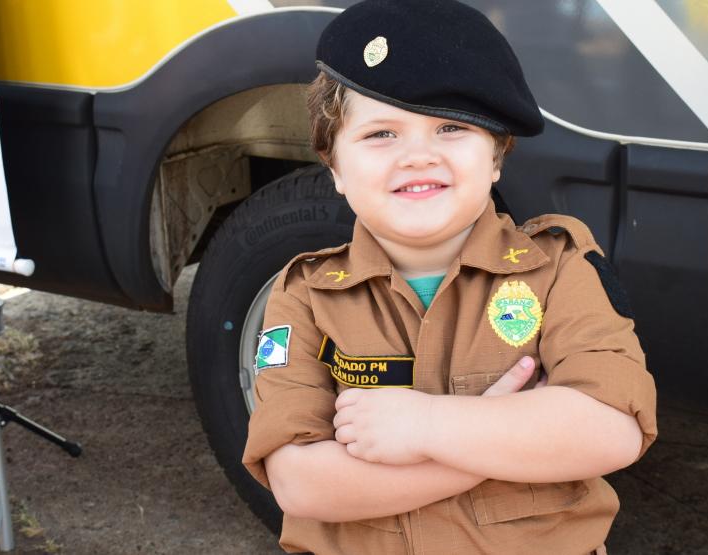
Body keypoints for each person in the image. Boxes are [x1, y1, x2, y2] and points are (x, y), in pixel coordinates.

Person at [242, 1, 657, 553]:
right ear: (335, 167)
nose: (418, 155)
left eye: (451, 127)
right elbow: (301, 483)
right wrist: (502, 434)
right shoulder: (303, 296)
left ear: (496, 158)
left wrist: (426, 427)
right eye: (381, 134)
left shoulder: (559, 268)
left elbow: (610, 430)